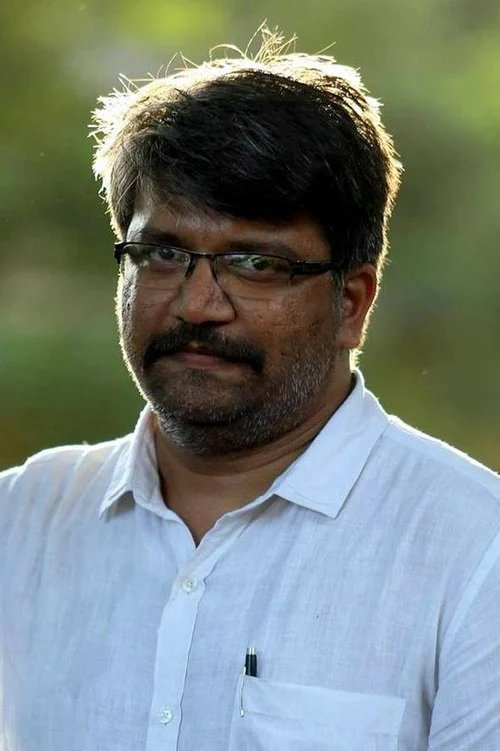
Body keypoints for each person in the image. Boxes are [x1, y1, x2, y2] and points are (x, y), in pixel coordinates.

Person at [1, 29, 500, 751]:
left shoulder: (474, 551)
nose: (197, 304)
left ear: (352, 303)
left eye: (256, 263)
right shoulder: (25, 521)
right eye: (163, 253)